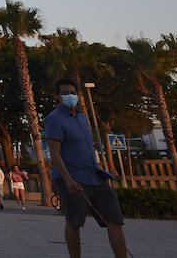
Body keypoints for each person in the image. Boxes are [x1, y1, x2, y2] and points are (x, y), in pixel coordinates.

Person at [43, 78, 127, 258]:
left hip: (95, 177)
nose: (69, 96)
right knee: (74, 222)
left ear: (78, 94)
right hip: (72, 179)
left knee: (115, 221)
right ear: (57, 96)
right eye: (65, 93)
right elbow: (55, 153)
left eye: (72, 92)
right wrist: (68, 180)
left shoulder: (82, 117)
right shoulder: (55, 119)